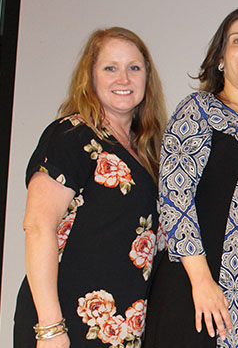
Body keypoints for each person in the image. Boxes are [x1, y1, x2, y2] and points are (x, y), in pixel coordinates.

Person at [142, 5, 238, 348]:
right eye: (237, 40)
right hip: (199, 289)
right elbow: (174, 196)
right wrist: (202, 281)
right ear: (221, 59)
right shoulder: (198, 110)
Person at [13, 27, 166, 348]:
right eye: (110, 67)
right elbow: (38, 227)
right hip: (65, 323)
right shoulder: (72, 136)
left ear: (147, 78)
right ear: (90, 76)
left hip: (122, 330)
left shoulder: (150, 155)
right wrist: (51, 328)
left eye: (133, 68)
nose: (123, 79)